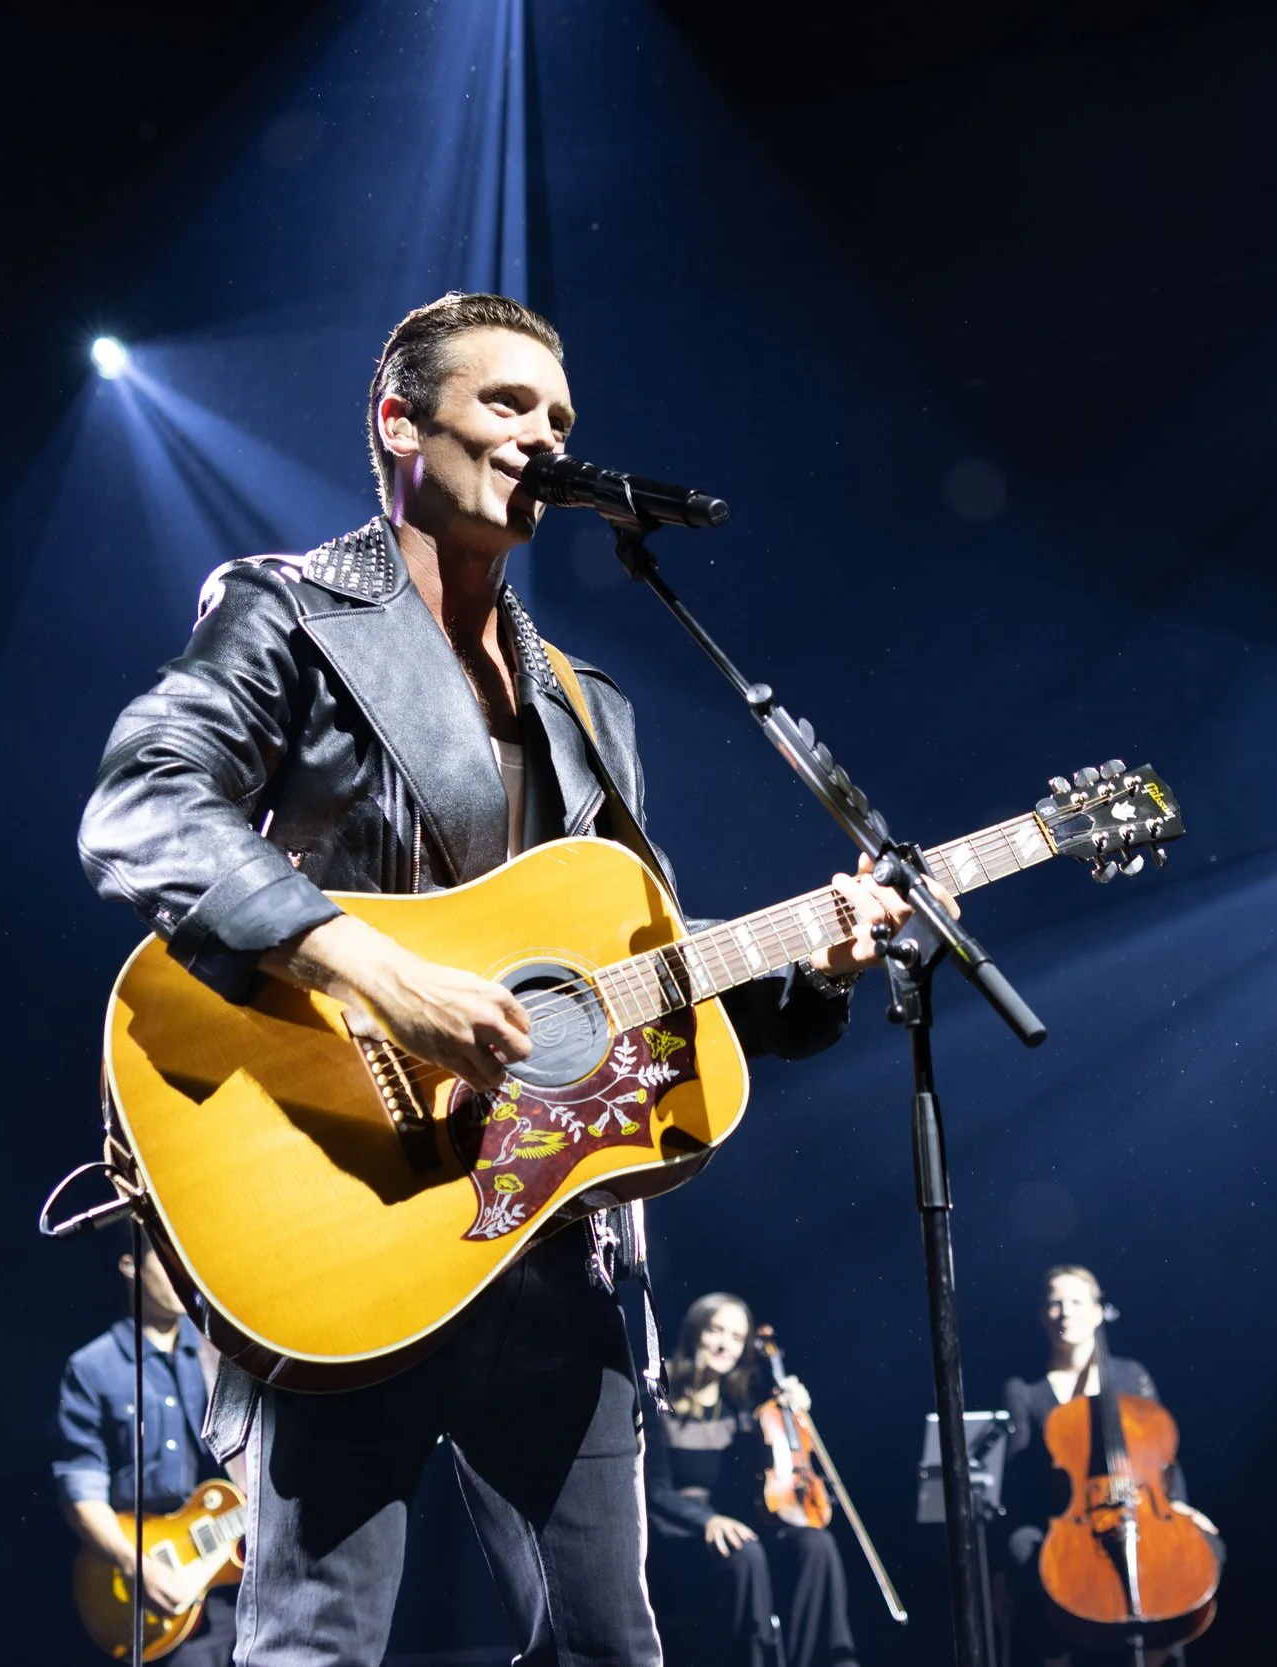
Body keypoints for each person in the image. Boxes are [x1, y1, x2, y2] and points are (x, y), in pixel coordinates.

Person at [76, 289, 912, 1665]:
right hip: (350, 1207)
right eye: (508, 403)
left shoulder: (587, 702)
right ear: (400, 423)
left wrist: (808, 961)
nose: (543, 434)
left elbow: (637, 973)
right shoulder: (293, 612)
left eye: (562, 416)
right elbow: (143, 803)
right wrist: (382, 975)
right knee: (316, 1644)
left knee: (613, 1645)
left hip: (551, 1233)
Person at [997, 1265, 1223, 1667]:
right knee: (1022, 1551)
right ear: (1041, 1314)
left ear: (1098, 1312)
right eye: (1054, 1303)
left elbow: (1160, 1455)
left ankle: (1159, 1650)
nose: (1064, 1312)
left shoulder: (1130, 1374)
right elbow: (1020, 1478)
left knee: (1204, 1546)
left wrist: (1178, 1506)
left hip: (1141, 1504)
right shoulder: (1025, 1390)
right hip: (1068, 1513)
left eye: (1076, 1302)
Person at [644, 1292, 858, 1667]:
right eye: (715, 1330)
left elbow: (759, 1479)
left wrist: (794, 1414)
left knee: (815, 1543)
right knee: (746, 1555)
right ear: (696, 1332)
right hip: (675, 1533)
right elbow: (654, 1489)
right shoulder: (659, 1397)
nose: (724, 1343)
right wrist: (706, 1520)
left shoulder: (742, 1408)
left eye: (736, 1337)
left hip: (734, 1527)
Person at [56, 1237, 236, 1665]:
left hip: (234, 1579)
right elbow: (80, 1486)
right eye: (166, 1260)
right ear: (129, 1265)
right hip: (149, 1587)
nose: (181, 1274)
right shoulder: (93, 1366)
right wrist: (135, 1564)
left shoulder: (221, 1352)